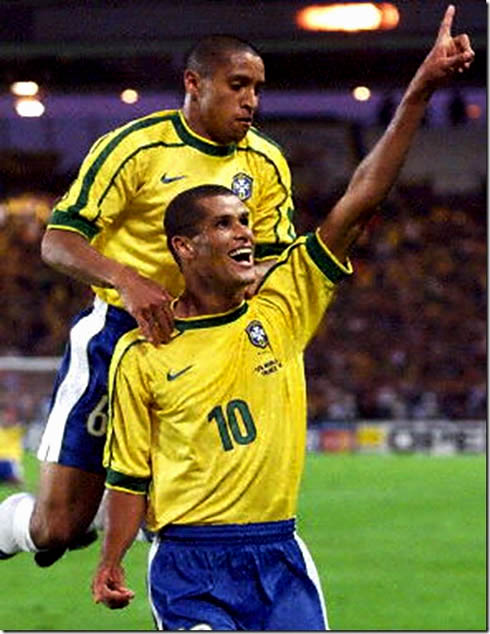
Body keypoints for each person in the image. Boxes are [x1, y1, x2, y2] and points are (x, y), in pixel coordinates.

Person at [90, 8, 474, 630]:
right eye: (224, 224)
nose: (246, 233)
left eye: (245, 220)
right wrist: (111, 559)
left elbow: (361, 198)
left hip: (280, 555)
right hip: (189, 565)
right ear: (184, 249)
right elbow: (130, 474)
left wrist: (420, 90)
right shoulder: (143, 353)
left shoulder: (284, 304)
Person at [0, 35, 297, 566]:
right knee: (55, 528)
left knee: (194, 517)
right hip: (116, 337)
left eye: (257, 88)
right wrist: (126, 280)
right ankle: (32, 524)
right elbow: (58, 240)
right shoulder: (136, 148)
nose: (251, 100)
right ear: (194, 83)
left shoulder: (267, 164)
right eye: (237, 86)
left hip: (205, 351)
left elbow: (270, 262)